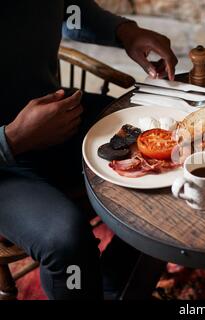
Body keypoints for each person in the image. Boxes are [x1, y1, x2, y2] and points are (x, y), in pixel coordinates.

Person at [0, 1, 178, 300]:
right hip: (6, 166)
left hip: (56, 117)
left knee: (168, 155)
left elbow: (70, 10)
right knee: (68, 243)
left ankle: (111, 285)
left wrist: (124, 32)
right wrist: (13, 139)